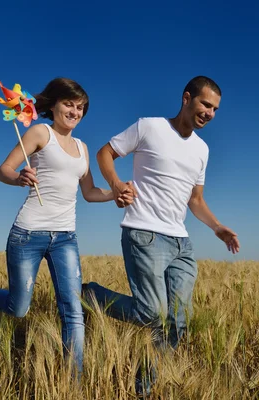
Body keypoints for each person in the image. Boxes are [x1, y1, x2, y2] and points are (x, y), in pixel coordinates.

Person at [83, 75, 240, 395]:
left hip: (180, 242)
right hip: (144, 235)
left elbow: (195, 200)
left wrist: (217, 226)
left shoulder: (202, 150)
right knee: (152, 313)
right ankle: (91, 295)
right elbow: (105, 154)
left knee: (178, 322)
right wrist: (116, 185)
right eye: (205, 104)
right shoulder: (149, 127)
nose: (210, 112)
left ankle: (145, 387)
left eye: (215, 109)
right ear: (186, 98)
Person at [0, 77, 133, 379]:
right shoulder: (40, 132)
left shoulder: (83, 147)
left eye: (80, 108)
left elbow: (89, 193)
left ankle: (71, 383)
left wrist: (115, 193)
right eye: (69, 104)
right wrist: (19, 178)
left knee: (73, 311)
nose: (75, 111)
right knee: (19, 307)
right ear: (53, 105)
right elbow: (3, 170)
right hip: (28, 234)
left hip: (65, 237)